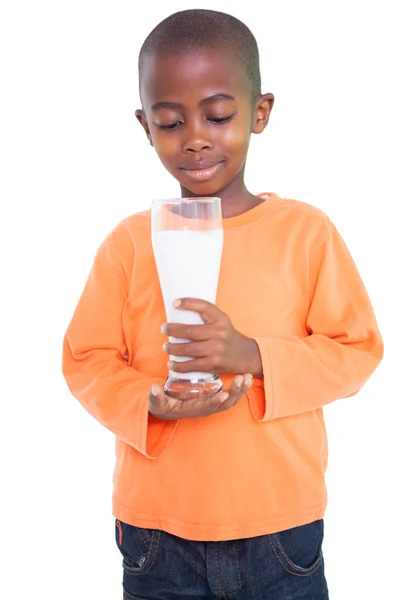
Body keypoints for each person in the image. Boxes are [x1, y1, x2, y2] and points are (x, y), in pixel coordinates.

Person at [62, 9, 383, 599]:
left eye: (218, 115)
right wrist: (150, 402)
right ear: (145, 126)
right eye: (169, 121)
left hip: (280, 527)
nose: (196, 137)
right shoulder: (130, 243)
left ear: (259, 113)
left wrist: (252, 353)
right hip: (157, 532)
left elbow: (356, 349)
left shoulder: (305, 233)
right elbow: (86, 360)